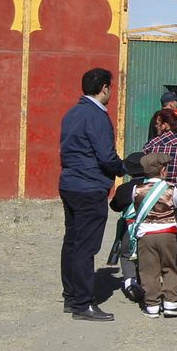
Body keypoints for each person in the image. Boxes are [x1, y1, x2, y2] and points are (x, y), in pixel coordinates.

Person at [58, 67, 126, 321]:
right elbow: (105, 156)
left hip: (70, 183)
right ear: (105, 88)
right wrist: (122, 168)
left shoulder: (72, 113)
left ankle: (71, 297)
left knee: (72, 243)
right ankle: (83, 304)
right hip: (89, 186)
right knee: (86, 247)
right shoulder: (96, 116)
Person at [127, 151, 177, 317]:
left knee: (148, 269)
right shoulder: (170, 189)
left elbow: (135, 206)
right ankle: (170, 303)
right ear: (162, 171)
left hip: (145, 234)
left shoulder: (137, 189)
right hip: (167, 233)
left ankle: (152, 304)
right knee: (170, 267)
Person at [144, 108, 177, 268]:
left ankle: (153, 268)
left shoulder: (151, 146)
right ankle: (174, 270)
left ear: (165, 125)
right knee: (176, 234)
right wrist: (176, 192)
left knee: (152, 233)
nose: (156, 127)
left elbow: (144, 172)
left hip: (153, 196)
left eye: (158, 124)